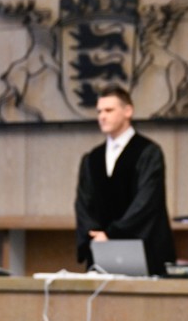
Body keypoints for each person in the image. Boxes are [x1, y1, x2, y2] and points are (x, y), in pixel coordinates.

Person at [74, 86, 175, 275]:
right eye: (99, 111)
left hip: (143, 249)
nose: (102, 116)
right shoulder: (92, 158)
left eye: (109, 110)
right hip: (101, 250)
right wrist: (94, 235)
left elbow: (147, 202)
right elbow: (83, 203)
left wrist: (113, 234)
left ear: (128, 111)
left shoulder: (148, 152)